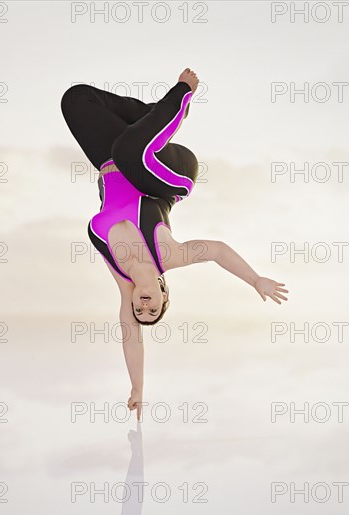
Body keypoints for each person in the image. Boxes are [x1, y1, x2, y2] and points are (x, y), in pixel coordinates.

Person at [61, 69, 289, 420]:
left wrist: (137, 388)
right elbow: (217, 251)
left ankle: (146, 116)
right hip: (170, 173)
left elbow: (131, 335)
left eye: (140, 311)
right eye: (154, 310)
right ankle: (178, 99)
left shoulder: (120, 275)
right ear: (165, 295)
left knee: (75, 100)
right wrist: (255, 279)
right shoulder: (169, 256)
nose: (143, 309)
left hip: (113, 159)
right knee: (130, 152)